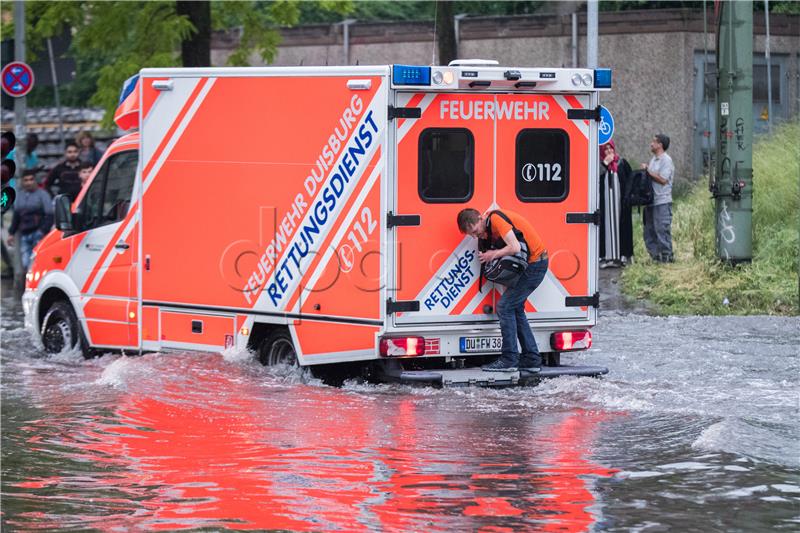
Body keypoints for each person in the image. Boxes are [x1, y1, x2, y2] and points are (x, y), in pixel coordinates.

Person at [457, 208, 548, 372]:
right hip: (530, 265)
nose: (475, 236)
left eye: (475, 231)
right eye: (471, 235)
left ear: (480, 218)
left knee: (504, 307)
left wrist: (492, 254)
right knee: (515, 308)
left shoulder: (497, 220)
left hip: (535, 265)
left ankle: (509, 359)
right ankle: (532, 359)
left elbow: (514, 248)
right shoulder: (489, 226)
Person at [7, 170, 53, 271]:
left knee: (38, 262)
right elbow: (16, 215)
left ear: (35, 180)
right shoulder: (20, 196)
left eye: (31, 179)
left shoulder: (43, 195)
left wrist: (42, 231)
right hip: (25, 233)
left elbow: (49, 215)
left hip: (38, 232)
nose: (29, 182)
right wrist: (11, 233)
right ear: (22, 182)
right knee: (26, 264)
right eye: (26, 180)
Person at [599, 141, 634, 267]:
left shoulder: (622, 163)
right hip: (605, 205)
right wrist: (605, 163)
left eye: (610, 148)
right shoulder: (600, 165)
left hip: (621, 203)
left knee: (623, 227)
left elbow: (630, 179)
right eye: (606, 149)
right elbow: (595, 178)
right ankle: (605, 256)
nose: (609, 151)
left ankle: (623, 255)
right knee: (604, 227)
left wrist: (628, 197)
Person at [641, 133, 675, 262]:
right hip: (651, 202)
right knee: (649, 232)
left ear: (660, 145)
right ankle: (656, 258)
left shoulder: (666, 160)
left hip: (662, 202)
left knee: (662, 230)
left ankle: (667, 258)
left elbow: (663, 180)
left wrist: (648, 171)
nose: (651, 144)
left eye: (654, 142)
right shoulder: (653, 159)